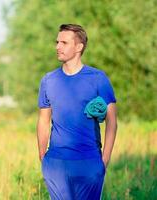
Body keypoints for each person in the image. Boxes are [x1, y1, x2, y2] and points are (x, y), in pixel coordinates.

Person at [37, 24, 117, 200]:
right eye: (57, 42)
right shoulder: (48, 80)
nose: (57, 46)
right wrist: (44, 157)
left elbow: (112, 121)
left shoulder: (98, 79)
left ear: (79, 47)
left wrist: (104, 161)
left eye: (64, 42)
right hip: (56, 163)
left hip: (89, 162)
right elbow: (43, 120)